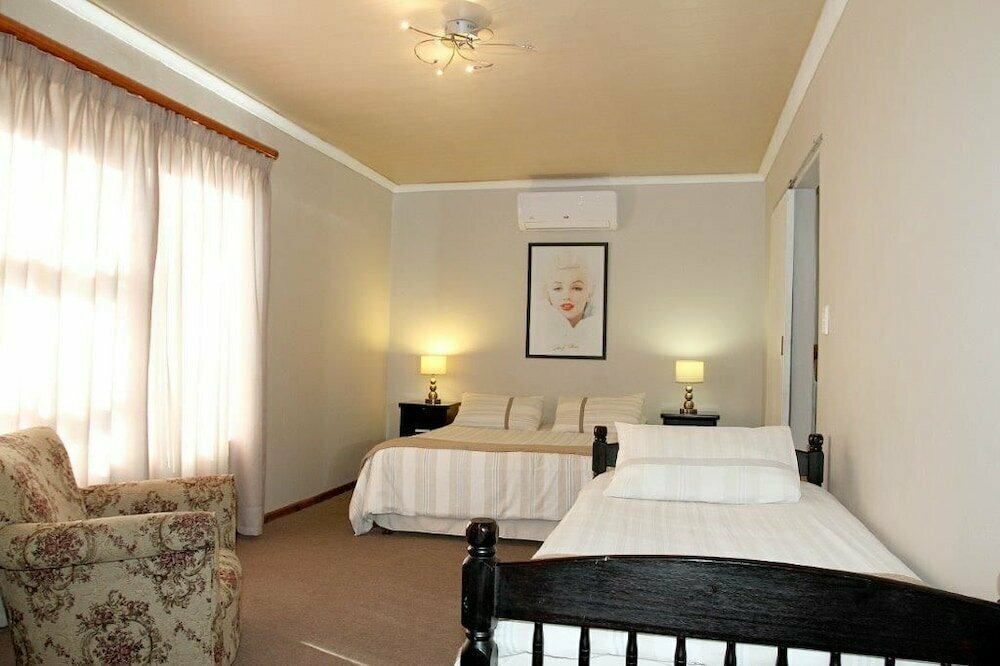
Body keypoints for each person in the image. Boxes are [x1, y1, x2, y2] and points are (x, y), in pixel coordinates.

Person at [530, 249, 602, 356]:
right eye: (557, 288)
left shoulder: (598, 331)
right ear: (547, 293)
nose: (566, 296)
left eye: (576, 288)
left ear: (590, 293)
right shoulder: (538, 334)